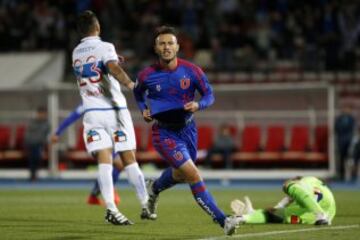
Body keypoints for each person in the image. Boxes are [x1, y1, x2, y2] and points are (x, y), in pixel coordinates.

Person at [133, 25, 239, 235]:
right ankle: (223, 220)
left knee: (181, 175)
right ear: (156, 48)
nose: (166, 47)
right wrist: (144, 109)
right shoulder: (147, 75)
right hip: (163, 133)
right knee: (193, 174)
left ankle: (154, 188)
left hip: (189, 130)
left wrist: (199, 105)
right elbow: (138, 94)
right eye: (162, 43)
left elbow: (209, 95)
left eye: (170, 43)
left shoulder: (192, 70)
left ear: (177, 46)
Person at [72, 10, 155, 225]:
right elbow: (112, 68)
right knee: (129, 158)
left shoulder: (76, 52)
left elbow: (95, 69)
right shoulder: (105, 46)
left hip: (91, 113)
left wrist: (111, 62)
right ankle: (146, 203)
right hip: (114, 112)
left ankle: (111, 208)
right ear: (97, 27)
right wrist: (130, 84)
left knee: (104, 160)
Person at [50, 104, 121, 205]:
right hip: (94, 137)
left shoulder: (111, 101)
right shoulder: (88, 102)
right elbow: (73, 117)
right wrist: (57, 132)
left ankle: (94, 195)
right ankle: (110, 193)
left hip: (109, 139)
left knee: (117, 165)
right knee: (112, 163)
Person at [230, 176, 336, 225]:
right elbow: (293, 197)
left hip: (319, 210)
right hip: (327, 212)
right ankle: (244, 217)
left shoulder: (307, 180)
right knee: (274, 216)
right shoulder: (313, 183)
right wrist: (277, 208)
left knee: (287, 185)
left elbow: (299, 193)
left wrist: (289, 184)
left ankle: (320, 214)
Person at [24, 106, 50, 181]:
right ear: (38, 113)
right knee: (32, 159)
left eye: (44, 113)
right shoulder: (32, 122)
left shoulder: (47, 124)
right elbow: (28, 134)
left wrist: (44, 144)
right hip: (31, 143)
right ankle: (33, 175)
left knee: (37, 159)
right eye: (41, 113)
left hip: (39, 144)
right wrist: (27, 142)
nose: (42, 115)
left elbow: (46, 135)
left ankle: (34, 175)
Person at [335, 105, 356, 180]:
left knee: (350, 159)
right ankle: (341, 175)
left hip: (349, 142)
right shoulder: (339, 119)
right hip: (341, 142)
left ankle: (352, 175)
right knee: (341, 159)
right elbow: (336, 128)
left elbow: (352, 129)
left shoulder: (351, 119)